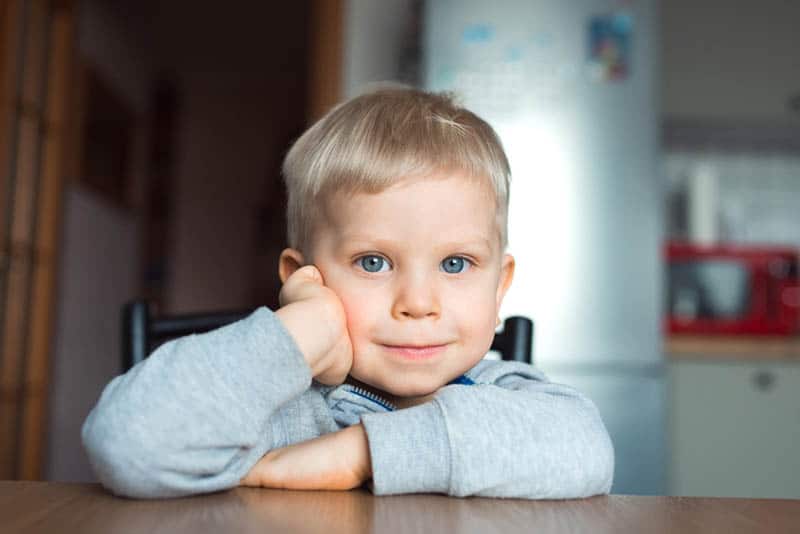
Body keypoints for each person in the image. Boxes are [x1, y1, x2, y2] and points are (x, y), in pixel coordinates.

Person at [82, 87, 614, 499]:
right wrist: (296, 334)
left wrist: (363, 453)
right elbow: (127, 446)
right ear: (303, 278)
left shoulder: (506, 395)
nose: (418, 303)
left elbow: (587, 451)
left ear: (499, 287)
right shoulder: (279, 408)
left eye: (456, 263)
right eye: (373, 262)